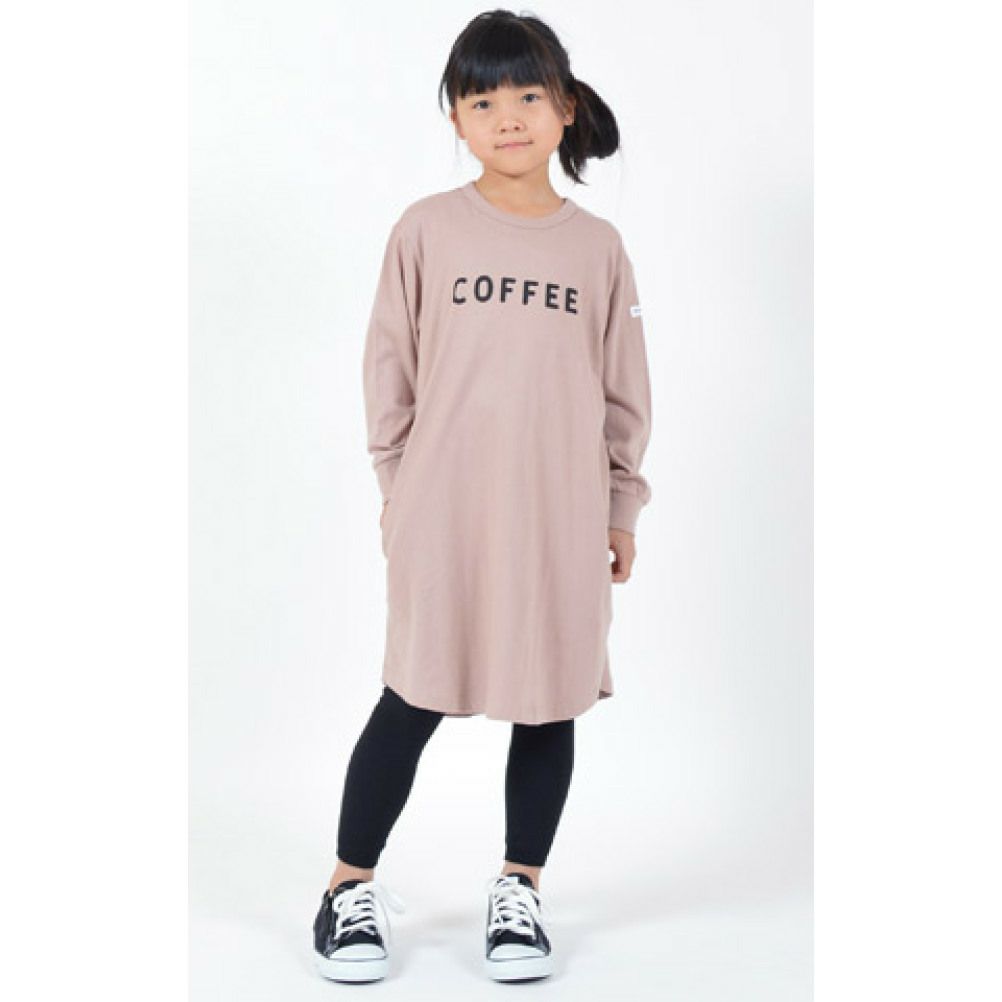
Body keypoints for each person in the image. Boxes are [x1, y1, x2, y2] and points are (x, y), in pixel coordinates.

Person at [312, 8, 653, 984]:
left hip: (559, 519)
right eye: (483, 100)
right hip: (443, 515)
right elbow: (389, 369)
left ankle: (520, 889)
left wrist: (620, 507)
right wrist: (396, 485)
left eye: (528, 95)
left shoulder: (598, 249)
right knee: (411, 698)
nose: (508, 116)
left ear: (566, 107)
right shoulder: (425, 230)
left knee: (548, 705)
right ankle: (346, 886)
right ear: (456, 119)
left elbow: (624, 389)